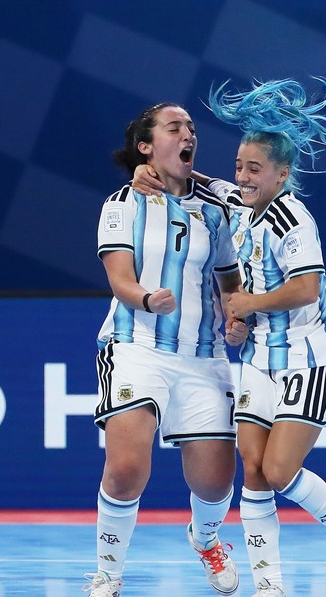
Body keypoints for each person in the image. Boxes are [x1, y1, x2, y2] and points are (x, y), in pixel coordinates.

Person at [135, 78, 326, 596]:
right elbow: (197, 181)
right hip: (260, 360)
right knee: (254, 473)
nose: (242, 177)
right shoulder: (240, 207)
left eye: (254, 169)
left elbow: (307, 288)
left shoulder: (293, 218)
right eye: (239, 166)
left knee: (280, 470)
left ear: (282, 175)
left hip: (310, 360)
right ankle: (270, 585)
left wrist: (247, 304)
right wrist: (145, 170)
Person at [84, 102, 246, 597]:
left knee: (216, 483)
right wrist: (147, 298)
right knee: (127, 470)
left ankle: (206, 538)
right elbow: (119, 279)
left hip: (204, 356)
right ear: (146, 146)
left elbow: (229, 279)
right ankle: (108, 571)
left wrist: (236, 316)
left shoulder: (217, 206)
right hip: (136, 345)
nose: (188, 134)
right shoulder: (122, 204)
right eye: (174, 128)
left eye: (191, 128)